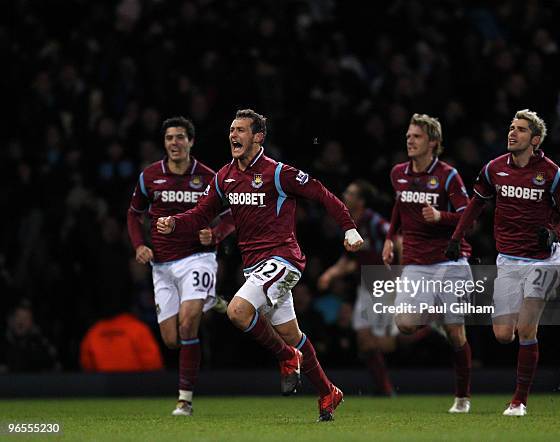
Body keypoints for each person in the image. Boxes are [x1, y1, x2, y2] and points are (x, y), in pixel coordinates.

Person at [156, 109, 364, 421]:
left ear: (258, 137)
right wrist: (175, 223)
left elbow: (320, 192)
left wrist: (348, 228)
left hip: (283, 259)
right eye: (231, 130)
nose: (233, 136)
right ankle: (328, 392)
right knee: (294, 335)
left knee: (237, 310)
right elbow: (201, 212)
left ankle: (286, 358)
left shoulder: (277, 173)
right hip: (256, 268)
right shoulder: (225, 176)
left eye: (240, 130)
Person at [446, 109, 560, 416]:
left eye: (520, 129)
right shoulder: (494, 169)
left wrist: (556, 234)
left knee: (527, 328)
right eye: (511, 127)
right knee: (504, 335)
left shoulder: (550, 172)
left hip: (542, 261)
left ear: (534, 139)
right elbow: (476, 203)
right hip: (508, 259)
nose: (512, 133)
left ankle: (519, 401)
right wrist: (456, 237)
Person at [127, 116, 235, 416]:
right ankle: (210, 298)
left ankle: (184, 400)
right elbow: (133, 215)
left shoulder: (208, 176)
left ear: (191, 141)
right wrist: (139, 246)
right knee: (172, 340)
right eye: (169, 138)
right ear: (164, 143)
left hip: (197, 258)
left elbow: (232, 215)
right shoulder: (150, 176)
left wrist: (214, 234)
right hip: (161, 265)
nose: (174, 143)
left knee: (189, 323)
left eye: (180, 137)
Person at [382, 113, 473, 413]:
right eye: (408, 135)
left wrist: (441, 217)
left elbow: (468, 215)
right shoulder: (398, 172)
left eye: (416, 136)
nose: (409, 140)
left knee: (456, 333)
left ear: (433, 143)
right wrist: (389, 237)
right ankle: (435, 313)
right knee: (405, 323)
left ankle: (462, 398)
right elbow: (399, 203)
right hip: (416, 262)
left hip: (450, 261)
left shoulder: (448, 175)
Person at [318, 180, 398, 396]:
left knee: (385, 343)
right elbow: (349, 261)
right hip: (365, 285)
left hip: (383, 282)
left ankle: (425, 326)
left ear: (360, 201)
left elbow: (396, 236)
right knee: (364, 341)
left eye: (350, 193)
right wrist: (330, 274)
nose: (345, 195)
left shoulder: (372, 221)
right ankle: (385, 389)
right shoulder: (350, 225)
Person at [80, 311, 164, 372]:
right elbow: (154, 366)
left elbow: (87, 368)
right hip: (138, 390)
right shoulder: (138, 329)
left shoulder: (93, 332)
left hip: (102, 390)